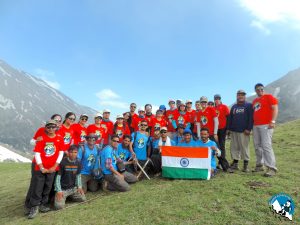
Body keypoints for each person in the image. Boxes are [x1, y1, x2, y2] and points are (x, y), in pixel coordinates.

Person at [24, 120, 65, 219]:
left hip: (52, 168)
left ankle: (43, 204)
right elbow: (37, 153)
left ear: (56, 127)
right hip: (40, 168)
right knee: (37, 187)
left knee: (48, 186)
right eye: (49, 127)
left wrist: (55, 166)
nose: (51, 129)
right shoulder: (41, 139)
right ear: (45, 128)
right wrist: (42, 167)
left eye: (53, 127)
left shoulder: (59, 138)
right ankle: (34, 206)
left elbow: (61, 153)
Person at [252, 83, 279, 177]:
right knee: (257, 146)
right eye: (258, 89)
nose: (260, 90)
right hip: (256, 126)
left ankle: (272, 168)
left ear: (263, 89)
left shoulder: (269, 97)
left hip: (266, 125)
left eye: (261, 89)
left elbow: (275, 108)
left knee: (266, 145)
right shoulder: (255, 101)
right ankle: (260, 165)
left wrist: (273, 121)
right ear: (255, 91)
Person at [227, 90, 253, 173]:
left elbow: (251, 118)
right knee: (234, 148)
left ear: (245, 96)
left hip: (244, 131)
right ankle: (235, 164)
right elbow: (230, 118)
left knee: (244, 147)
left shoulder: (249, 105)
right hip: (234, 131)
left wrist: (249, 128)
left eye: (242, 95)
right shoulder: (234, 107)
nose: (240, 96)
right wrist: (229, 129)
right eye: (239, 95)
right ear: (237, 96)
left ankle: (245, 165)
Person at [54, 145, 86, 210]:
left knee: (83, 198)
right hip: (63, 189)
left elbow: (78, 176)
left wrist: (79, 187)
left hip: (73, 188)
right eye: (71, 152)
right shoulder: (62, 162)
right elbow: (57, 178)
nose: (73, 154)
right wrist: (59, 190)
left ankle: (69, 197)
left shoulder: (78, 162)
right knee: (59, 206)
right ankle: (61, 196)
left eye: (75, 152)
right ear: (68, 153)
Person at [214, 94, 230, 168]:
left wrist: (228, 128)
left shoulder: (224, 106)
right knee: (217, 146)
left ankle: (221, 163)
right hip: (215, 129)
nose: (217, 100)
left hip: (223, 128)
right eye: (215, 99)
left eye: (218, 99)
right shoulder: (213, 108)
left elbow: (228, 117)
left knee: (222, 145)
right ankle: (220, 162)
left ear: (220, 99)